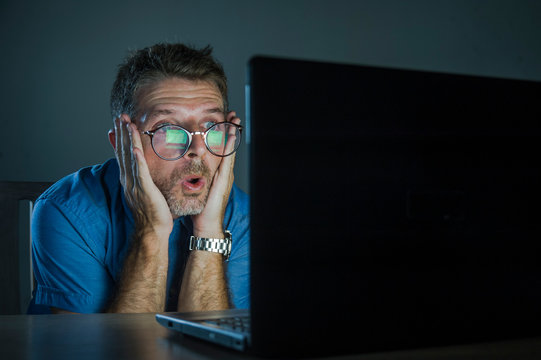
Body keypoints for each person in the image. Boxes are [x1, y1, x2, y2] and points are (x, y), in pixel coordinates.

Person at [28, 43, 250, 314]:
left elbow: (214, 348)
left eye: (210, 128)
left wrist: (209, 232)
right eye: (168, 130)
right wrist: (151, 231)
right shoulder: (65, 212)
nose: (198, 150)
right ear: (121, 143)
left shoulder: (244, 217)